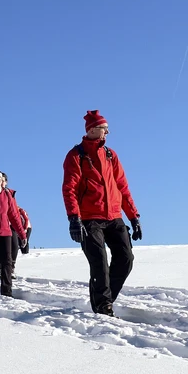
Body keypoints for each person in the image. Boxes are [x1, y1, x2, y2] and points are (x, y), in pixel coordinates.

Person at [62, 110, 141, 317]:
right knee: (99, 262)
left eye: (107, 130)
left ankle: (102, 300)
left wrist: (133, 217)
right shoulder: (76, 156)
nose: (106, 134)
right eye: (103, 130)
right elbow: (69, 189)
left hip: (114, 217)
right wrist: (73, 218)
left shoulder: (110, 155)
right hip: (89, 219)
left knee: (126, 259)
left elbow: (122, 187)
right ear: (91, 130)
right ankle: (104, 307)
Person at [3, 174, 32, 272]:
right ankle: (2, 267)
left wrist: (22, 230)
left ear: (6, 181)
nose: (1, 182)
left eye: (3, 180)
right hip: (0, 225)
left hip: (11, 224)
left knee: (14, 246)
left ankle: (11, 266)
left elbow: (15, 212)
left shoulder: (10, 193)